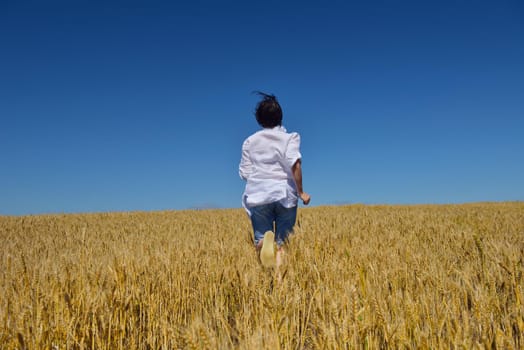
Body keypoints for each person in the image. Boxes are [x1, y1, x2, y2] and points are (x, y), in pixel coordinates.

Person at [239, 91, 311, 267]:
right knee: (283, 243)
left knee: (262, 236)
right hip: (284, 195)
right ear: (281, 117)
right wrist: (301, 192)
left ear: (259, 120)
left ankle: (263, 243)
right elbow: (295, 164)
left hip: (258, 195)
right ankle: (279, 281)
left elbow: (244, 172)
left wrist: (259, 178)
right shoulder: (290, 138)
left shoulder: (249, 142)